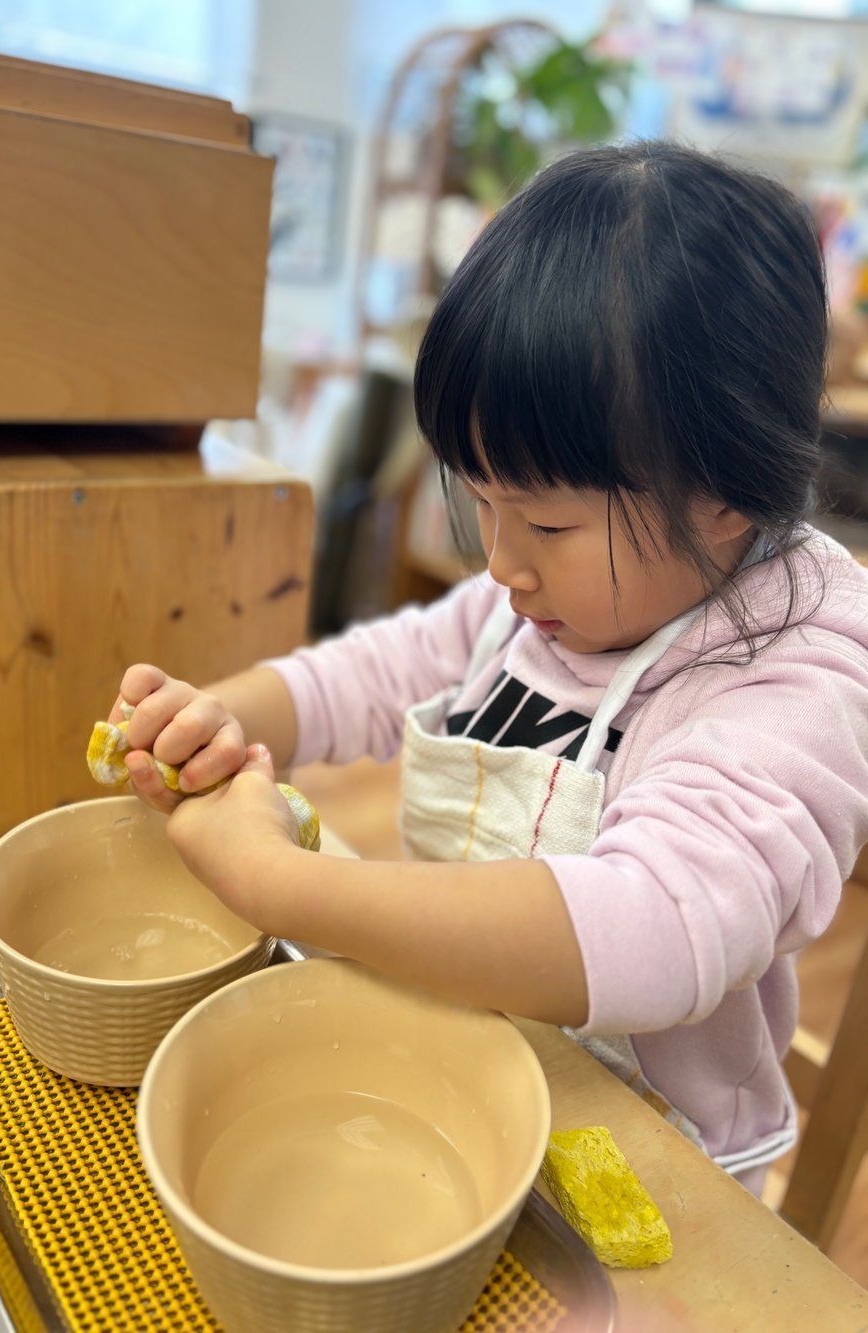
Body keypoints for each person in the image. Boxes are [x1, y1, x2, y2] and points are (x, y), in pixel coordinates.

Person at [111, 142, 868, 1192]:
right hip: (464, 1067)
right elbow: (373, 672)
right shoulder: (542, 602)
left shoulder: (797, 672)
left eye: (546, 522)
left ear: (724, 495)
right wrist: (220, 717)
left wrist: (281, 883)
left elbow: (653, 924)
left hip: (652, 1165)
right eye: (480, 501)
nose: (501, 562)